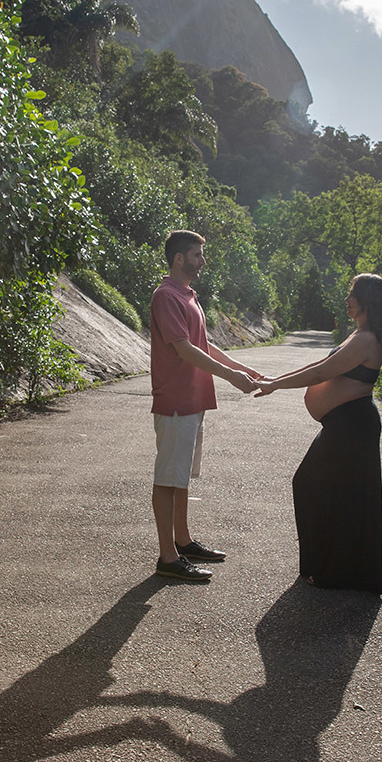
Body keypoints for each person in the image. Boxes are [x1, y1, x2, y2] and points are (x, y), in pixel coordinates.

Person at [253, 273, 382, 595]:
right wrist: (275, 377)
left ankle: (332, 571)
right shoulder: (360, 334)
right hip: (345, 423)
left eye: (352, 294)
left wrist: (274, 385)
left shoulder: (366, 340)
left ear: (366, 301)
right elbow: (321, 363)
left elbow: (322, 373)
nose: (347, 299)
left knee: (315, 485)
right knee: (334, 492)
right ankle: (328, 569)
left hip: (352, 425)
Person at [151, 230, 259, 582]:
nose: (203, 261)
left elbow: (203, 345)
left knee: (180, 477)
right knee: (167, 479)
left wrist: (241, 368)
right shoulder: (167, 296)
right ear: (179, 258)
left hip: (193, 401)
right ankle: (168, 557)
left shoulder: (189, 296)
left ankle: (182, 541)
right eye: (198, 255)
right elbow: (183, 349)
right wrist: (231, 377)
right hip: (176, 401)